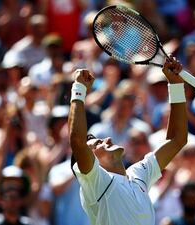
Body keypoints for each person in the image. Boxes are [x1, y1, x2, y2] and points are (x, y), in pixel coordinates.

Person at [68, 57, 188, 225]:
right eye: (97, 144)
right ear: (90, 161)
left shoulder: (138, 174)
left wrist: (175, 85)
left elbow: (178, 139)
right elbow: (77, 142)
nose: (107, 139)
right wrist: (79, 89)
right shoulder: (95, 182)